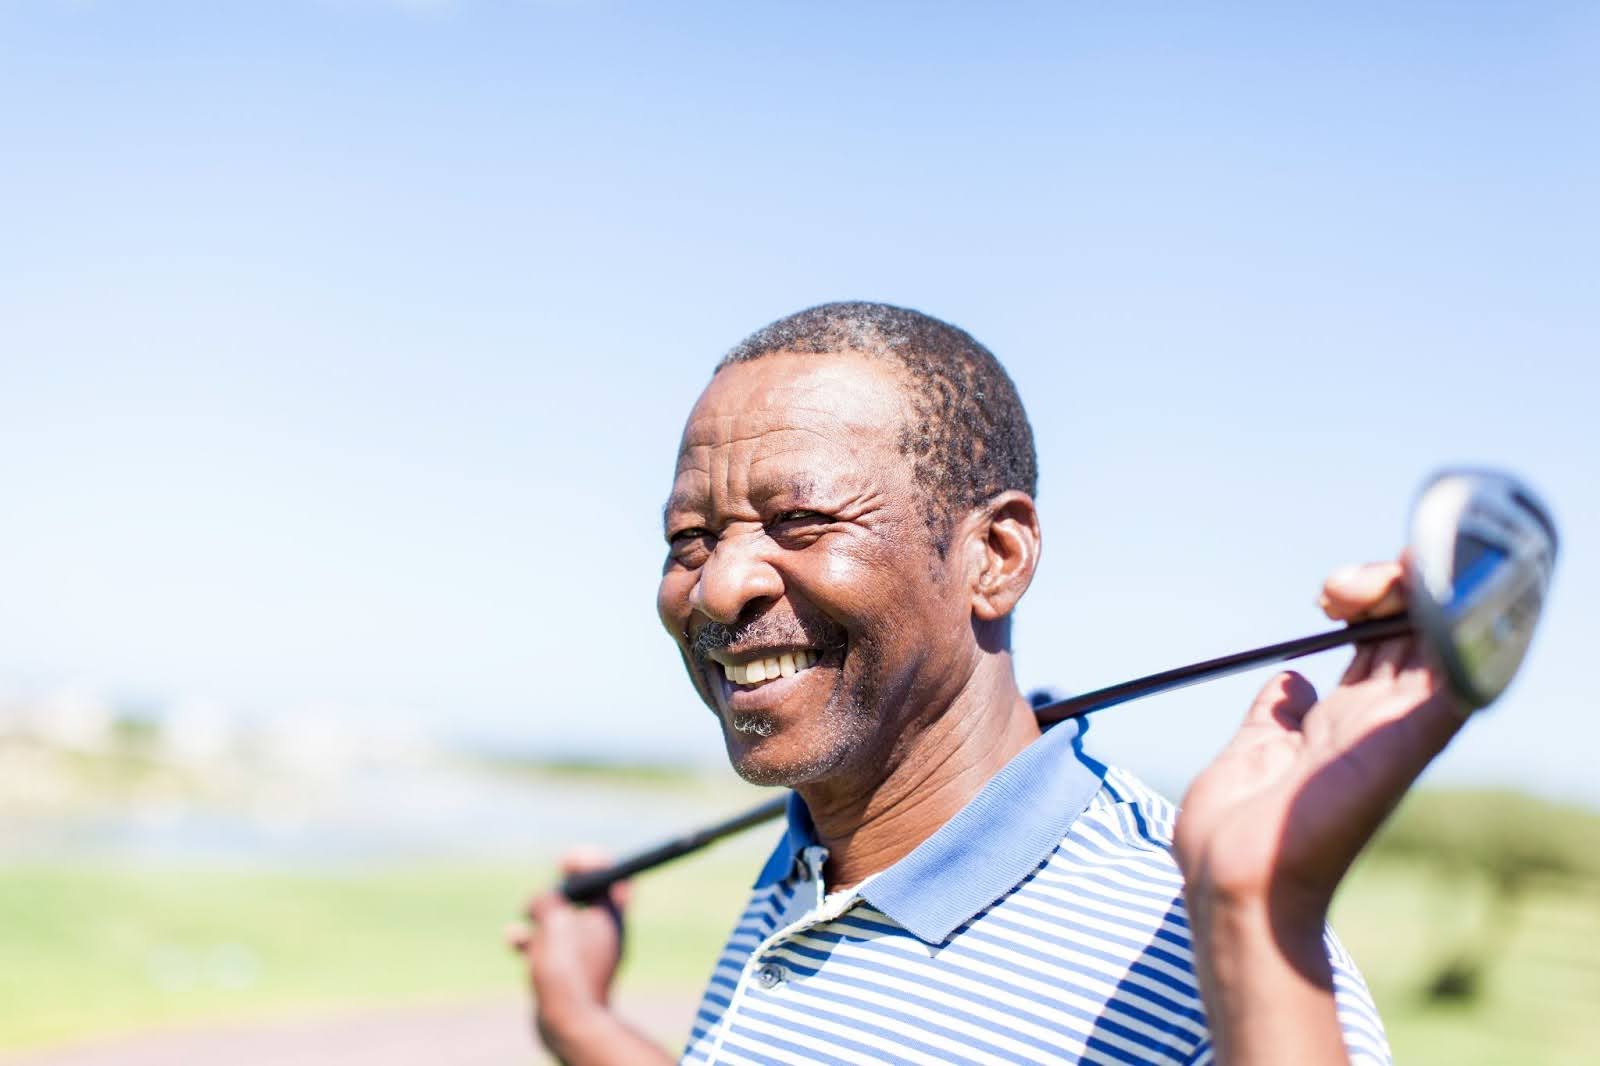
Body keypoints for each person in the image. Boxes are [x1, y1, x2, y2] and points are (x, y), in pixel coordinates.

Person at [510, 302, 1469, 1065]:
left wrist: (1258, 925)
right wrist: (584, 1024)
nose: (719, 585)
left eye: (800, 519)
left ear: (995, 557)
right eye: (692, 540)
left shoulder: (1212, 964)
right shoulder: (813, 859)